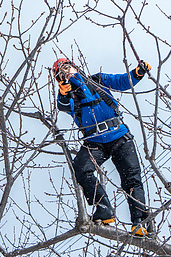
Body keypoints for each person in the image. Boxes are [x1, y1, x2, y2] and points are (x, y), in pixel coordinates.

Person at [53, 57, 155, 237]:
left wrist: (137, 73)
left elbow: (122, 81)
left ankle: (139, 222)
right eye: (61, 73)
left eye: (67, 67)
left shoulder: (97, 80)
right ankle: (103, 208)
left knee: (131, 178)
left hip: (118, 135)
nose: (65, 72)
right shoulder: (68, 95)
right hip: (94, 141)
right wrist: (63, 91)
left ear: (75, 67)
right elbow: (63, 106)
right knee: (81, 168)